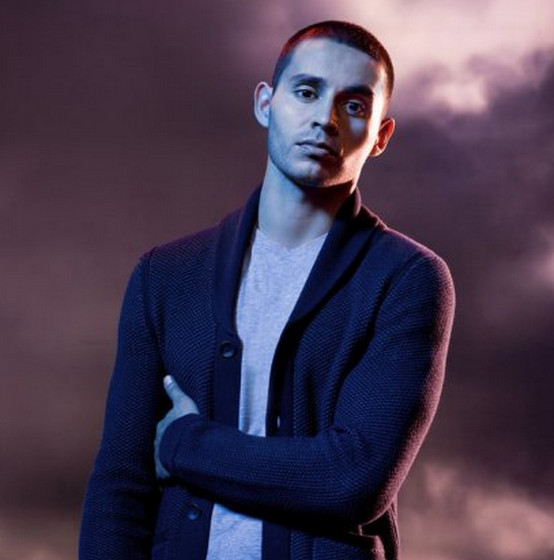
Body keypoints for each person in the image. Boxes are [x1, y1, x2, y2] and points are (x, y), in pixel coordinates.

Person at [79, 20, 455, 560]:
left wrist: (184, 443)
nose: (325, 120)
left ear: (380, 136)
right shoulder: (165, 276)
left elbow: (353, 479)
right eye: (306, 92)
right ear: (265, 104)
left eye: (353, 105)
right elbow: (119, 486)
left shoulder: (407, 279)